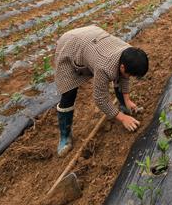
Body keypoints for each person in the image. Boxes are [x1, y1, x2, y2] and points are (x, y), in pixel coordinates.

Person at [53, 25, 149, 156]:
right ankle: (65, 137)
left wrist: (127, 100)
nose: (131, 77)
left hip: (92, 38)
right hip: (70, 45)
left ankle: (124, 106)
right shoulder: (105, 66)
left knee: (121, 76)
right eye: (131, 74)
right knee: (69, 93)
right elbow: (100, 98)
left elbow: (124, 77)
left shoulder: (128, 52)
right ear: (122, 66)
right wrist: (122, 118)